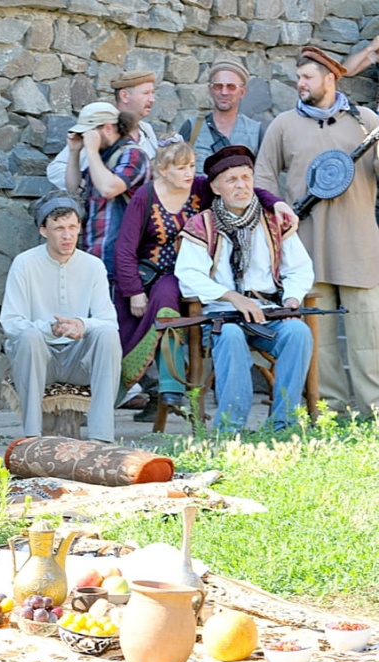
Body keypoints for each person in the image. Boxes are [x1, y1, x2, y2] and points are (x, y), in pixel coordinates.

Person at [114, 137, 298, 422]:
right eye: (180, 168)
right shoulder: (145, 196)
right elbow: (125, 247)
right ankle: (171, 387)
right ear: (162, 170)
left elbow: (244, 189)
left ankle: (173, 388)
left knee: (171, 292)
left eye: (191, 166)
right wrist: (134, 291)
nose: (188, 173)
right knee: (164, 297)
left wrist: (278, 204)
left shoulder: (199, 187)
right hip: (153, 274)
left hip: (195, 273)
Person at [255, 46, 379, 415]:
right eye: (298, 78)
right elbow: (263, 175)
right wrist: (276, 210)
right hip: (306, 248)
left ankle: (374, 413)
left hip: (359, 246)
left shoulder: (366, 122)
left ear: (330, 78)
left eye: (307, 77)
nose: (300, 84)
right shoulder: (283, 125)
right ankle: (330, 413)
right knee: (319, 340)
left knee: (368, 338)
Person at [176, 146, 315, 430]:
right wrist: (232, 297)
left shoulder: (275, 221)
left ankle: (284, 425)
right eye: (231, 180)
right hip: (221, 316)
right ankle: (231, 428)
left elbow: (299, 268)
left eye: (245, 177)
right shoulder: (202, 225)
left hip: (268, 315)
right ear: (215, 187)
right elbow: (188, 275)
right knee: (230, 335)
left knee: (298, 332)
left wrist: (291, 298)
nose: (241, 185)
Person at [0, 193, 121, 442]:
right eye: (59, 229)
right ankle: (32, 437)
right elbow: (11, 322)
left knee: (107, 335)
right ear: (44, 231)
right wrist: (49, 329)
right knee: (29, 335)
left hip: (79, 360)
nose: (67, 236)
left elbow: (109, 320)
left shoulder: (93, 265)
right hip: (40, 361)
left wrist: (82, 325)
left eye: (72, 228)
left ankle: (102, 438)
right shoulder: (24, 263)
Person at [65, 102, 151, 282]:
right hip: (95, 254)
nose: (85, 137)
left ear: (108, 128)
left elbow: (108, 189)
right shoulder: (100, 157)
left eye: (89, 132)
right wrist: (74, 152)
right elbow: (73, 189)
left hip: (120, 259)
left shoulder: (133, 155)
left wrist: (91, 150)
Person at [47, 70, 158, 190]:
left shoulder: (146, 130)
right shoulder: (100, 128)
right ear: (124, 96)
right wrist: (88, 183)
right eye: (146, 93)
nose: (152, 99)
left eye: (152, 93)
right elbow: (56, 169)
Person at [178, 58, 265, 174]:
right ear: (210, 90)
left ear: (242, 92)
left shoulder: (255, 132)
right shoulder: (192, 128)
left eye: (231, 87)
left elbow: (263, 177)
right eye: (218, 86)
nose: (224, 92)